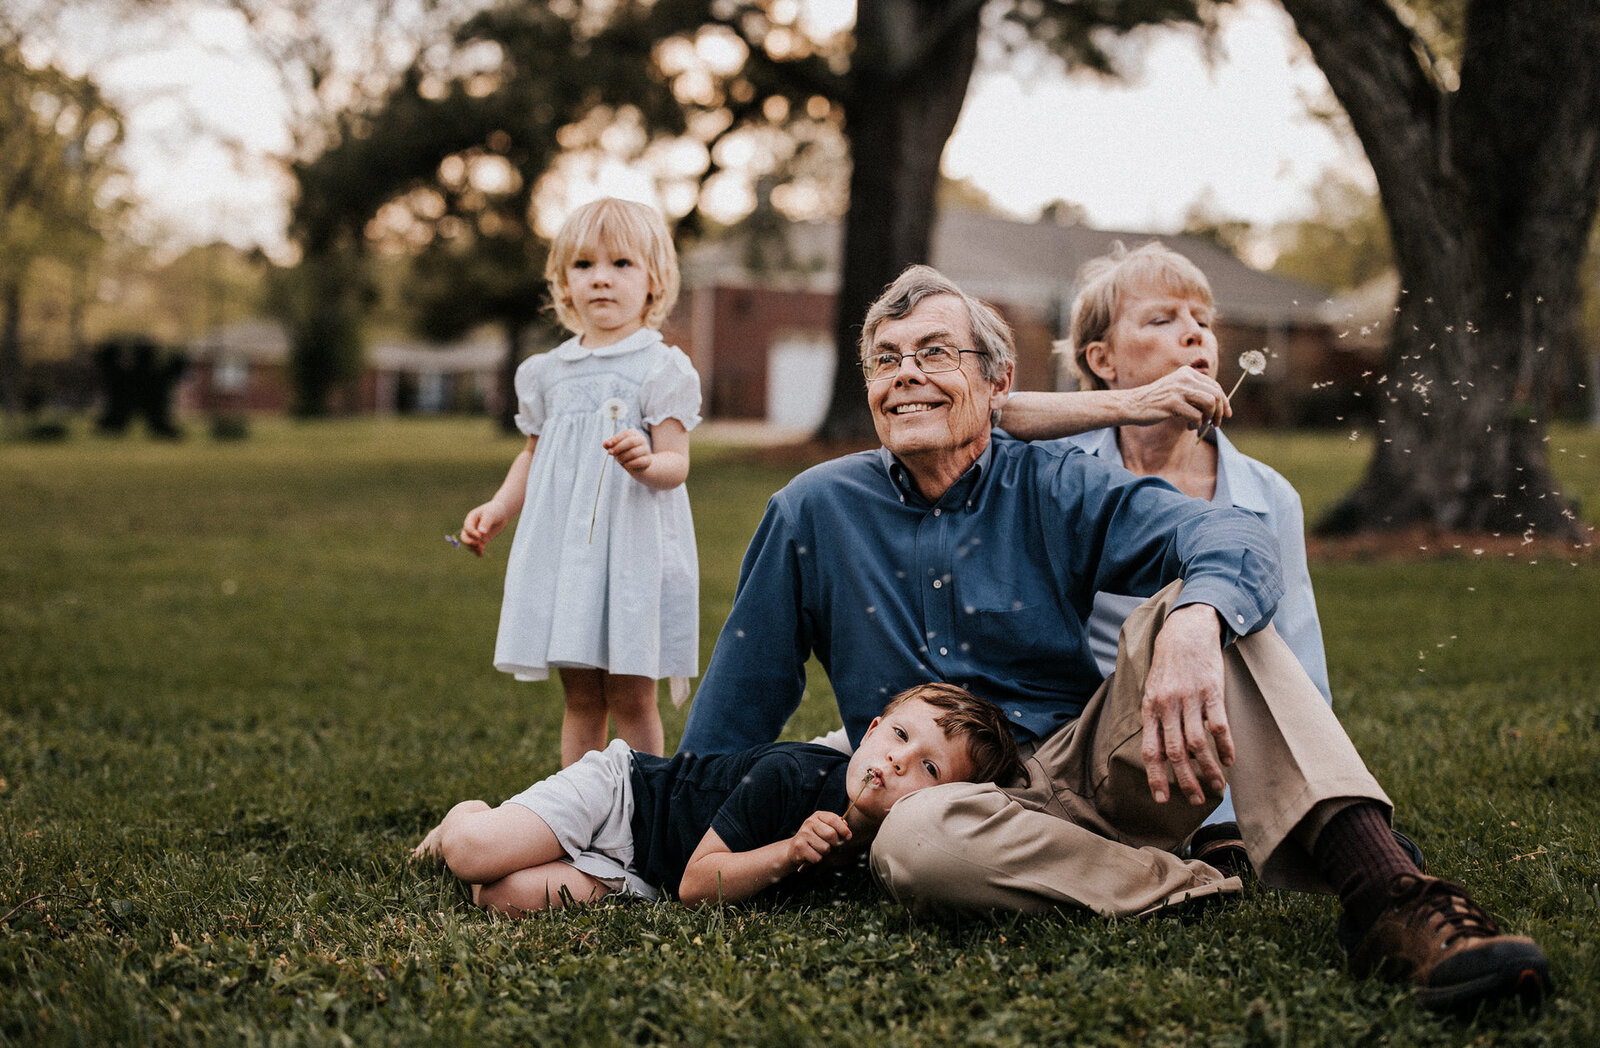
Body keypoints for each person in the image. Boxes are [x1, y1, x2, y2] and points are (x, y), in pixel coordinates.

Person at [677, 264, 1551, 1013]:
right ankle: (1174, 882)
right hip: (935, 806)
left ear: (998, 382)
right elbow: (744, 689)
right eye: (885, 360)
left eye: (935, 353)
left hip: (1085, 769)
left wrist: (1194, 620)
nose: (906, 376)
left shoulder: (1056, 483)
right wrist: (684, 834)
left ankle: (1389, 892)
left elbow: (1235, 541)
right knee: (914, 842)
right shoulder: (812, 509)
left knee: (1214, 608)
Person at [997, 240, 1423, 877]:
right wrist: (1128, 406)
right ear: (1101, 360)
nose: (1193, 333)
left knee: (1240, 618)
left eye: (1202, 320)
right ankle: (1203, 833)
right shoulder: (1064, 468)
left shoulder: (1267, 493)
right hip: (1100, 740)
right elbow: (982, 419)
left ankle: (1273, 823)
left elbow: (1297, 657)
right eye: (1162, 319)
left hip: (1222, 734)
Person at [457, 198, 702, 766]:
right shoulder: (547, 373)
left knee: (632, 696)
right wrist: (497, 508)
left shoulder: (660, 368)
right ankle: (580, 809)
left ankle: (646, 814)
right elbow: (533, 456)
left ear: (654, 280)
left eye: (621, 264)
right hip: (571, 556)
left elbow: (676, 464)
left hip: (633, 554)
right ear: (564, 283)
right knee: (583, 696)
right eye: (584, 265)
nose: (601, 279)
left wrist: (645, 461)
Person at [413, 683, 1024, 911]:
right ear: (867, 732)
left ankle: (517, 852)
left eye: (929, 766)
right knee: (473, 853)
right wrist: (788, 852)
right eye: (897, 734)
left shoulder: (887, 852)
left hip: (645, 873)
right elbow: (698, 885)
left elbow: (675, 887)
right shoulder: (789, 775)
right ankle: (465, 817)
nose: (896, 759)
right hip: (627, 798)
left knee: (499, 896)